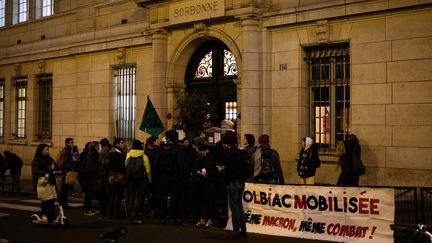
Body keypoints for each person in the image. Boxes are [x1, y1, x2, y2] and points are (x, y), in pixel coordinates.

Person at [218, 134, 248, 239]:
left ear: (227, 144)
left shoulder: (230, 155)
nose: (223, 145)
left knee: (234, 208)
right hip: (241, 182)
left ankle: (236, 231)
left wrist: (222, 170)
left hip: (232, 183)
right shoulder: (242, 153)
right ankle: (243, 230)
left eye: (224, 143)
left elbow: (229, 171)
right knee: (239, 207)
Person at [156, 130, 184, 225]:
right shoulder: (177, 149)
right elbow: (180, 164)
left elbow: (156, 164)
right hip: (174, 176)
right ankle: (173, 217)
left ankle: (162, 216)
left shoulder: (162, 148)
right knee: (174, 197)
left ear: (167, 138)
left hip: (163, 176)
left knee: (163, 196)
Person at [125, 139, 151, 224]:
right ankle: (135, 215)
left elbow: (126, 165)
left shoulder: (128, 154)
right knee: (138, 198)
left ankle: (130, 214)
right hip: (141, 179)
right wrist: (150, 179)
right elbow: (148, 170)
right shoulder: (144, 156)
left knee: (132, 196)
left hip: (131, 179)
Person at [194, 138, 217, 228]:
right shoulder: (200, 159)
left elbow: (216, 171)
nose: (202, 153)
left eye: (203, 151)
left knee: (210, 201)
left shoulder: (213, 159)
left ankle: (210, 219)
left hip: (211, 182)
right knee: (202, 201)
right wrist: (199, 172)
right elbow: (195, 169)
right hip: (201, 182)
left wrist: (208, 173)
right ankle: (202, 218)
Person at [31, 144, 57, 222]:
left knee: (51, 199)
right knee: (45, 199)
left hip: (50, 180)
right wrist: (46, 171)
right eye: (46, 150)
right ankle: (44, 214)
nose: (47, 151)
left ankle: (51, 215)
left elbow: (55, 165)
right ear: (41, 150)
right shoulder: (36, 159)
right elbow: (35, 171)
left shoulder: (49, 158)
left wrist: (57, 169)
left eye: (48, 149)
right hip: (42, 181)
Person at [107, 137, 127, 219]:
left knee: (114, 195)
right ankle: (116, 214)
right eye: (122, 143)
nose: (124, 144)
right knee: (118, 195)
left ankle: (111, 213)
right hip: (118, 176)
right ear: (117, 144)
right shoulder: (118, 154)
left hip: (112, 176)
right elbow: (121, 166)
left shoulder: (111, 153)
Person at [59, 137, 75, 209]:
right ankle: (63, 204)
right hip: (66, 172)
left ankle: (63, 203)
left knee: (65, 189)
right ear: (67, 143)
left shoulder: (68, 150)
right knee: (64, 189)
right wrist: (70, 169)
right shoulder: (66, 151)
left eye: (73, 142)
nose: (73, 144)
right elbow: (64, 163)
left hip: (66, 172)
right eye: (71, 142)